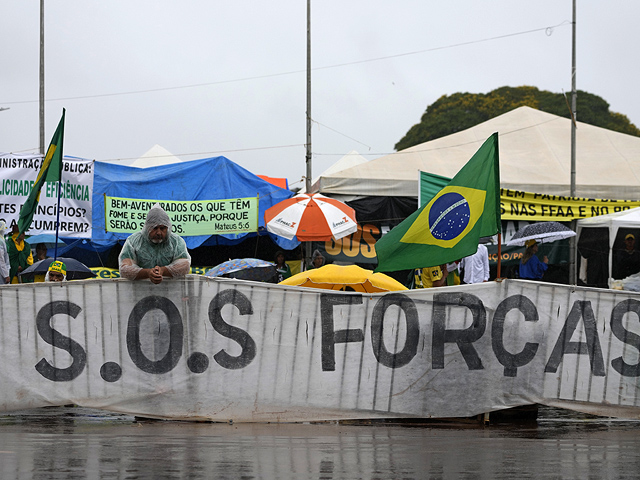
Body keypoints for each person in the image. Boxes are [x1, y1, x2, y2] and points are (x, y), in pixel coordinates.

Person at [119, 204, 191, 284]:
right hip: (139, 292)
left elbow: (184, 265)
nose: (159, 232)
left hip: (170, 292)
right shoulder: (133, 241)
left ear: (168, 228)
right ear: (147, 227)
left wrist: (163, 270)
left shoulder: (176, 241)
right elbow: (125, 269)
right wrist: (147, 273)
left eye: (163, 228)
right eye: (155, 228)